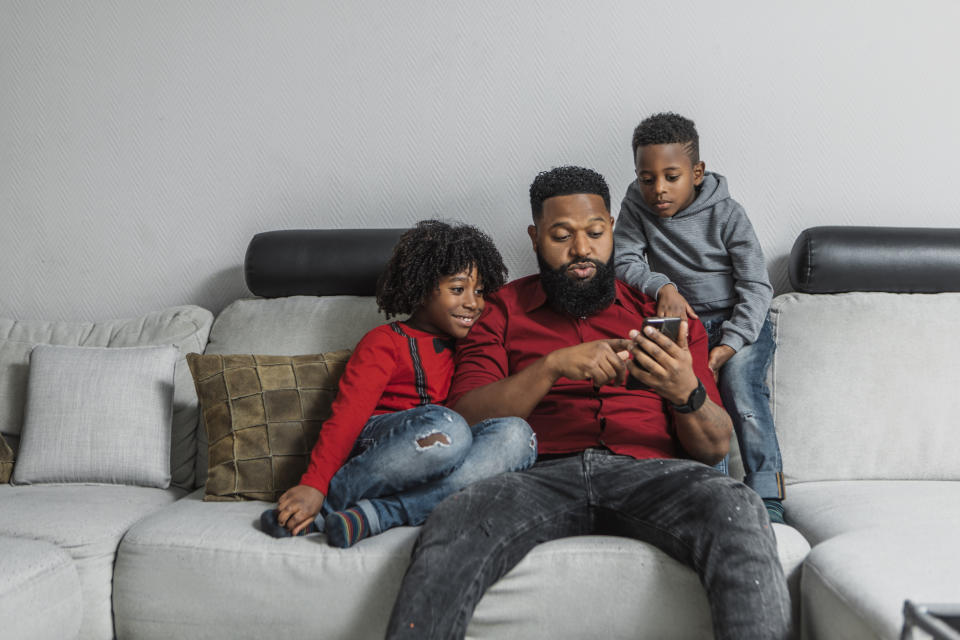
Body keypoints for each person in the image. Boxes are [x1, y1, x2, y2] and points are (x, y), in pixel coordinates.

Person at [385, 167, 790, 640]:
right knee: (454, 520)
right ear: (535, 238)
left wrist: (686, 392)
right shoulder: (500, 311)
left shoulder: (663, 315)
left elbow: (714, 447)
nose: (582, 250)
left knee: (738, 507)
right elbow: (466, 416)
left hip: (650, 473)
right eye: (561, 236)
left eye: (595, 233)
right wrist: (552, 367)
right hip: (534, 476)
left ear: (612, 229)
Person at [260, 220, 536, 547]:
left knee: (519, 436)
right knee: (450, 428)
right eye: (458, 289)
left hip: (448, 453)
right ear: (420, 290)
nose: (473, 303)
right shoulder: (386, 342)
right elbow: (348, 416)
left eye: (478, 292)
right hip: (388, 445)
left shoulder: (476, 348)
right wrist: (314, 485)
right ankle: (327, 503)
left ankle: (380, 513)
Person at [614, 112, 785, 523]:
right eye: (647, 177)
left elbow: (757, 286)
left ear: (696, 172)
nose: (658, 189)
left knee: (742, 393)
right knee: (690, 397)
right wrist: (664, 287)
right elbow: (622, 260)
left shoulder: (727, 214)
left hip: (736, 323)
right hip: (683, 327)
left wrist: (732, 342)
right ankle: (714, 495)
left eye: (671, 176)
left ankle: (769, 500)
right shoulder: (636, 205)